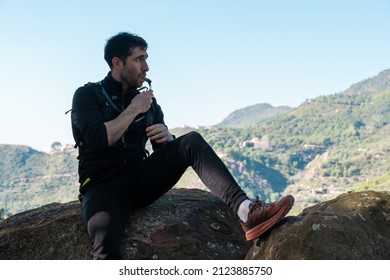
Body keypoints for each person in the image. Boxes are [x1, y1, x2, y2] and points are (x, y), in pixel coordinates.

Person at [70, 32, 294, 260]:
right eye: (139, 59)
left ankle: (246, 211)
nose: (146, 67)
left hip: (139, 180)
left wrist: (167, 138)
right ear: (117, 62)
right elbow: (98, 139)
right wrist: (134, 108)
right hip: (101, 186)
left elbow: (163, 155)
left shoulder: (148, 103)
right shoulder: (87, 95)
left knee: (191, 141)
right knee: (104, 248)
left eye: (146, 58)